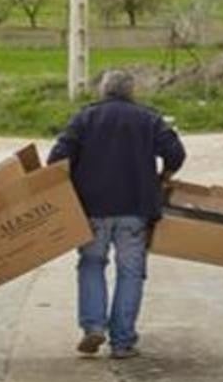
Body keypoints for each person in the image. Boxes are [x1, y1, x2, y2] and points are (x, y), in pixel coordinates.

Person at [47, 70, 186, 359]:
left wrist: (71, 188)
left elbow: (56, 159)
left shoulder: (84, 118)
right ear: (131, 91)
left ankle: (94, 327)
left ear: (103, 91)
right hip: (135, 210)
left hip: (91, 210)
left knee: (91, 264)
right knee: (131, 272)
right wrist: (164, 176)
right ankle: (122, 342)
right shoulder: (149, 118)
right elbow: (176, 153)